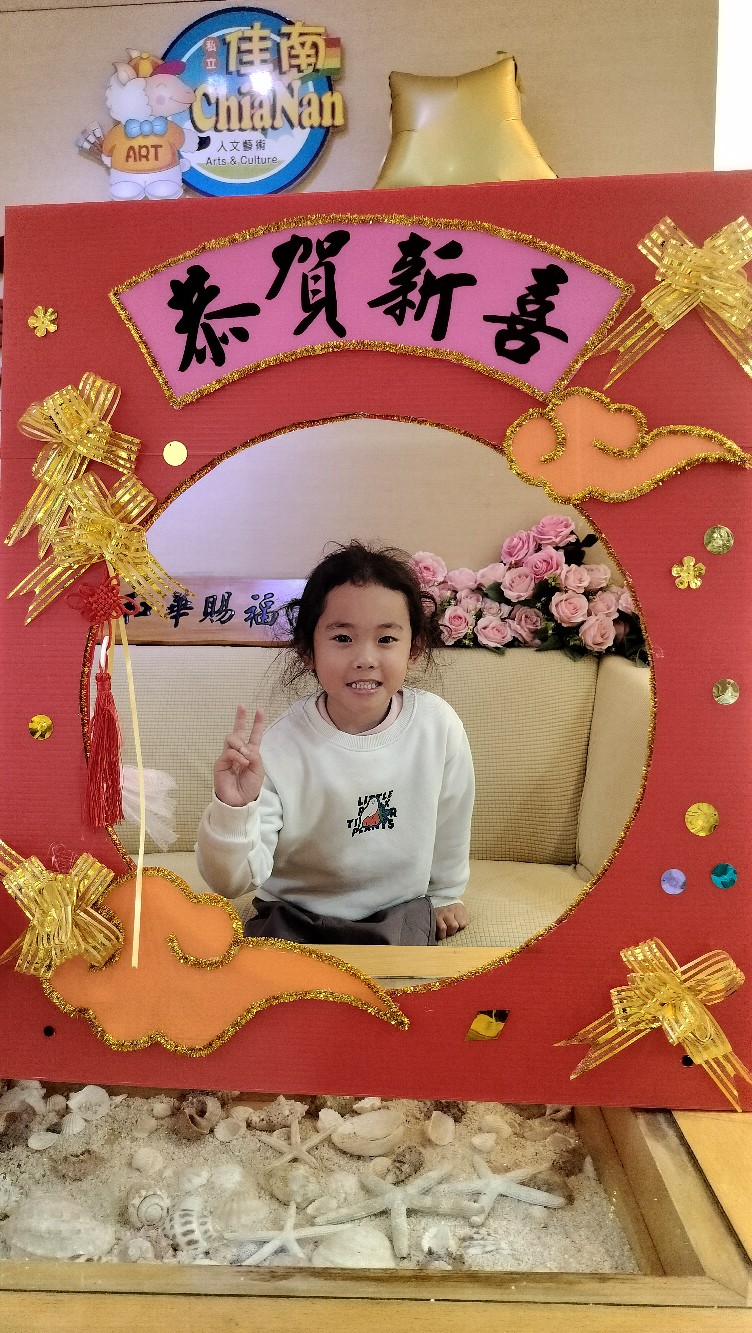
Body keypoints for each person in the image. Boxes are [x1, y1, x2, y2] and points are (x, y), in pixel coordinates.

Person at [196, 541, 474, 945]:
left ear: (414, 649)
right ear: (308, 651)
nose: (365, 658)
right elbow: (231, 883)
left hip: (399, 909)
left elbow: (451, 821)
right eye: (343, 638)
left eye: (386, 639)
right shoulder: (278, 747)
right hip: (295, 914)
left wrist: (447, 894)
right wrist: (232, 808)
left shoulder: (437, 726)